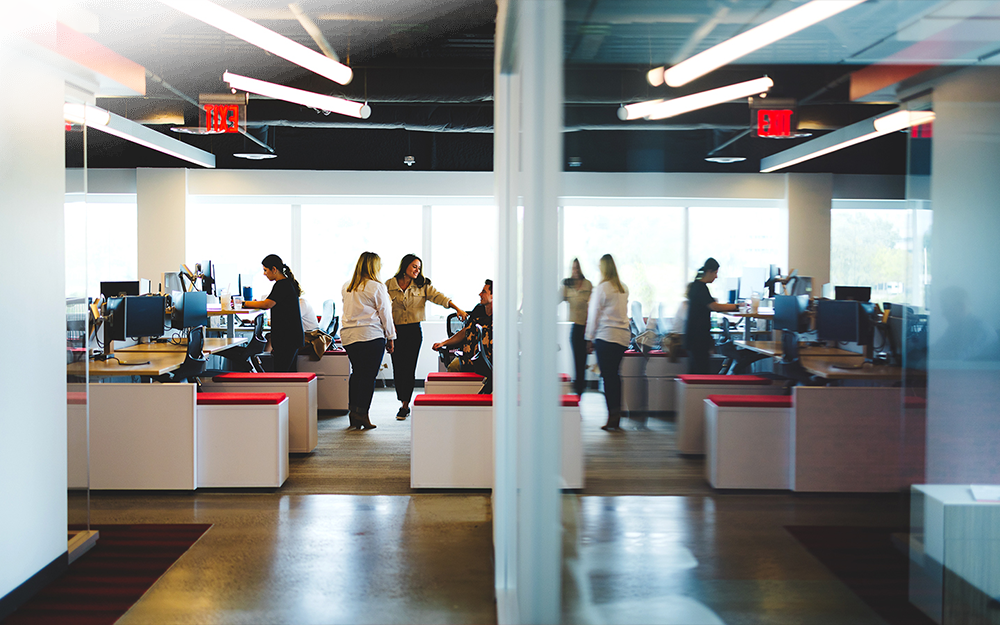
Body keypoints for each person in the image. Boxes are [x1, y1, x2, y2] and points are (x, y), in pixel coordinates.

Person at [386, 254, 468, 420]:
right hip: (394, 331)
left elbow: (440, 297)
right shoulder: (389, 284)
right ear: (405, 266)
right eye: (414, 266)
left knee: (408, 368)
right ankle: (401, 398)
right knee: (397, 368)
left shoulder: (423, 285)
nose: (417, 270)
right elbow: (382, 307)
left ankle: (405, 405)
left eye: (419, 267)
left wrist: (457, 309)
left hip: (413, 332)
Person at [341, 251, 396, 431]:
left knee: (356, 374)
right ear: (374, 267)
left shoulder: (346, 286)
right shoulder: (376, 286)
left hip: (349, 336)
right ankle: (363, 414)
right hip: (370, 335)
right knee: (368, 377)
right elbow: (385, 314)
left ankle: (353, 413)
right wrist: (391, 337)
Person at [585, 255, 630, 432]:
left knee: (608, 377)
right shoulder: (623, 288)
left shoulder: (602, 288)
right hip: (622, 338)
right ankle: (616, 414)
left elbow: (593, 315)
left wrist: (589, 338)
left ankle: (613, 416)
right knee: (614, 376)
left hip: (606, 336)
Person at [241, 254, 304, 372]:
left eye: (265, 270)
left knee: (282, 374)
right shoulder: (286, 283)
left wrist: (244, 303)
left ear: (274, 269)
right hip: (291, 337)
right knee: (289, 374)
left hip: (287, 338)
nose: (264, 273)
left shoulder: (282, 285)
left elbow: (267, 305)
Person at [432, 280, 493, 393]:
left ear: (493, 296)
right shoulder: (478, 310)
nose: (480, 294)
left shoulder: (502, 315)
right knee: (453, 367)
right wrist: (444, 343)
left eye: (484, 292)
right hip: (469, 355)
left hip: (491, 358)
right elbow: (466, 331)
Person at [684, 257, 739, 374]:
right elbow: (715, 307)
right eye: (715, 273)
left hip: (695, 337)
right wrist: (737, 306)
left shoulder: (697, 286)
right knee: (701, 371)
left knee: (697, 370)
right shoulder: (700, 287)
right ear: (709, 271)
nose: (716, 276)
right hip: (697, 337)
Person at [562, 258, 593, 396]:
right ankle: (578, 392)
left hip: (586, 327)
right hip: (575, 328)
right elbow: (555, 300)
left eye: (577, 268)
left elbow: (593, 308)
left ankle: (581, 390)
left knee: (583, 362)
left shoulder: (588, 285)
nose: (575, 271)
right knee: (577, 361)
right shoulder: (567, 286)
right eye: (573, 268)